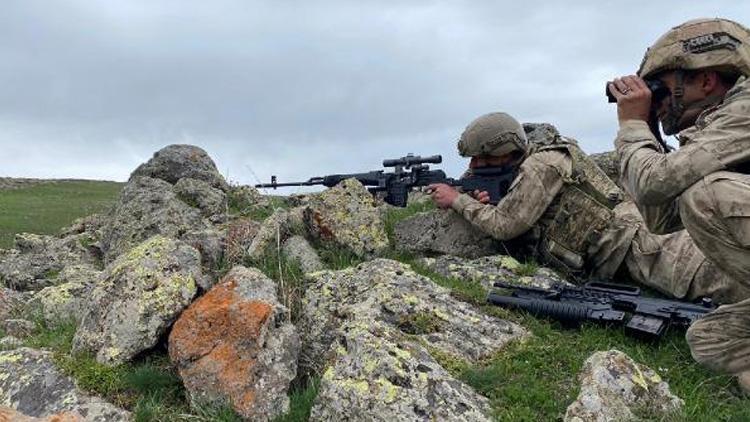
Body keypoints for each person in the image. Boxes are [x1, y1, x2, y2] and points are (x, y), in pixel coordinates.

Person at [428, 112, 747, 303]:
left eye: (481, 158)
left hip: (638, 244)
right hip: (626, 245)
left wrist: (457, 200)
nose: (474, 165)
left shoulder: (543, 165)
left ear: (504, 150)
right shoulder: (533, 157)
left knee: (720, 280)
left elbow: (505, 225)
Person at [608, 18, 750, 390]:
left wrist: (632, 127)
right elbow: (662, 218)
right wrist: (650, 129)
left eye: (664, 88)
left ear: (705, 80)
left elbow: (656, 183)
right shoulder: (714, 128)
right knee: (709, 339)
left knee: (708, 195)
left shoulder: (745, 110)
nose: (659, 100)